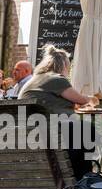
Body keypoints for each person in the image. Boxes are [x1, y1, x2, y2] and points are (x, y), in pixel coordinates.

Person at [18, 45, 97, 180]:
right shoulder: (56, 79)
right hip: (50, 134)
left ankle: (80, 176)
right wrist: (93, 99)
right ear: (64, 65)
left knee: (80, 131)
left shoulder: (33, 80)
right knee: (87, 130)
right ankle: (83, 178)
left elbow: (50, 102)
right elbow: (81, 100)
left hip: (30, 133)